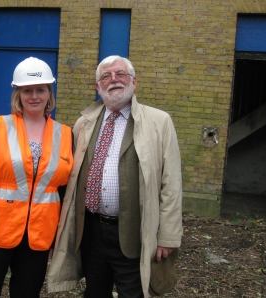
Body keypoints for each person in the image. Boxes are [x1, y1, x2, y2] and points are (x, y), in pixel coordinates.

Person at [48, 55, 183, 297]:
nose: (114, 80)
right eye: (106, 76)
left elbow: (171, 184)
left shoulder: (159, 122)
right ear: (98, 87)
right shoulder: (83, 124)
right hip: (91, 230)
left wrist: (169, 236)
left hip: (133, 232)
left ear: (134, 82)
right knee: (95, 291)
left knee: (133, 292)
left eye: (121, 74)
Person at [0, 57, 73, 298]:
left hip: (39, 236)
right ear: (18, 94)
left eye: (40, 90)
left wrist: (57, 238)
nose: (34, 96)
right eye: (27, 90)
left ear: (49, 93)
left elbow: (64, 192)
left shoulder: (65, 134)